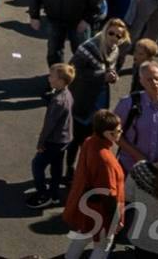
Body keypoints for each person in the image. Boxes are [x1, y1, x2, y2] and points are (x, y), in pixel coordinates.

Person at [62, 110, 125, 259]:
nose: (120, 132)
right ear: (107, 133)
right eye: (117, 131)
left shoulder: (90, 141)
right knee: (103, 246)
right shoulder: (106, 158)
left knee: (81, 237)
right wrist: (116, 221)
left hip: (88, 205)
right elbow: (110, 194)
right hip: (102, 212)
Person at [25, 62, 77, 210]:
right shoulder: (67, 94)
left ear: (60, 81)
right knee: (56, 166)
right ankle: (54, 194)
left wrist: (41, 142)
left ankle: (43, 194)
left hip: (54, 140)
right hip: (65, 138)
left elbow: (49, 125)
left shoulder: (58, 101)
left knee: (37, 165)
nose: (48, 78)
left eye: (51, 76)